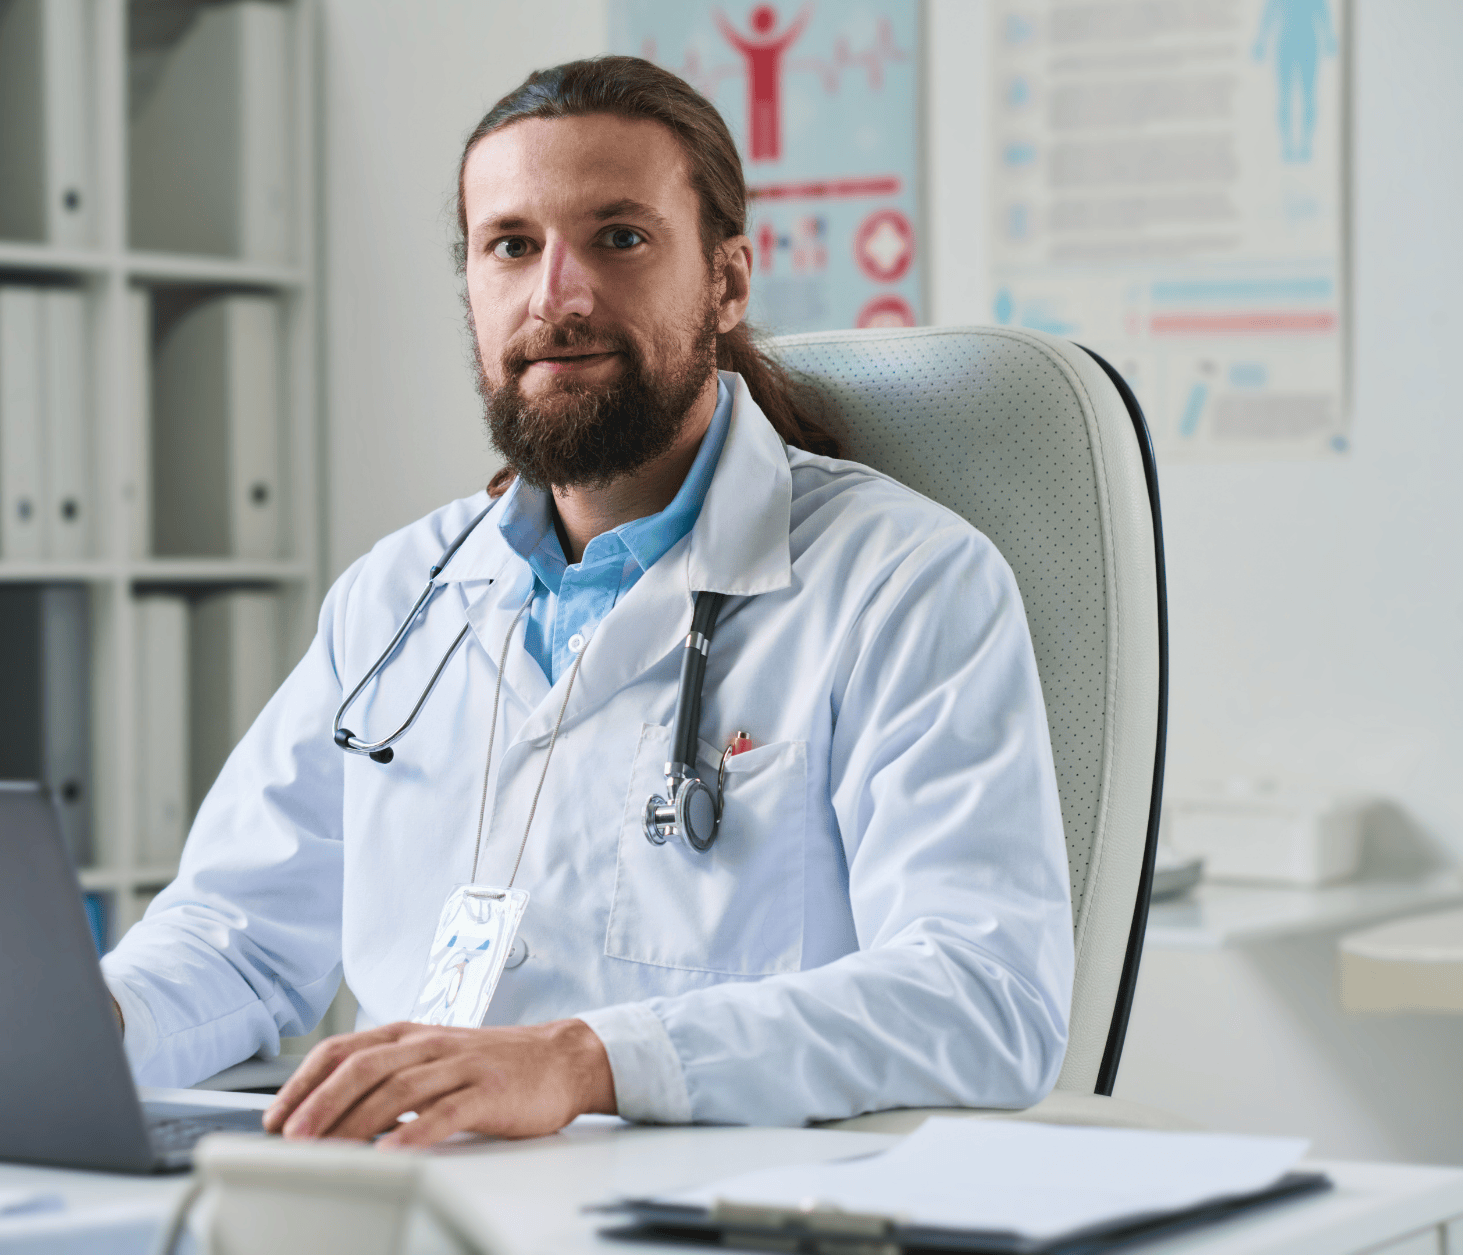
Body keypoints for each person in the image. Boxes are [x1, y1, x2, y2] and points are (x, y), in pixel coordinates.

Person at [102, 56, 1073, 1149]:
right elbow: (233, 939)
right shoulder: (400, 595)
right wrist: (83, 1023)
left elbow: (986, 995)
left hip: (707, 1209)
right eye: (511, 245)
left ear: (729, 280)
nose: (554, 296)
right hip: (401, 1201)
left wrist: (590, 1060)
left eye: (619, 237)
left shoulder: (905, 582)